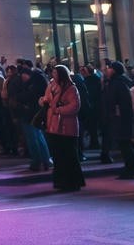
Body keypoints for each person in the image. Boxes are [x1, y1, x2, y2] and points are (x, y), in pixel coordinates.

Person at [40, 64, 84, 192]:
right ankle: (61, 182)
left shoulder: (71, 88)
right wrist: (44, 101)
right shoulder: (51, 86)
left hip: (67, 126)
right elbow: (47, 99)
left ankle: (72, 182)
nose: (53, 75)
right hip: (53, 125)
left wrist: (58, 109)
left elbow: (75, 106)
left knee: (69, 155)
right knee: (58, 156)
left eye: (55, 73)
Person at [102, 61, 134, 179]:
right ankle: (129, 167)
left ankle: (131, 168)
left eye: (109, 68)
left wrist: (117, 113)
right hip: (118, 117)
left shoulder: (119, 83)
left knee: (125, 143)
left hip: (121, 118)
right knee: (123, 144)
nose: (107, 70)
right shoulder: (115, 82)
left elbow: (123, 102)